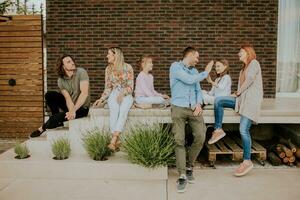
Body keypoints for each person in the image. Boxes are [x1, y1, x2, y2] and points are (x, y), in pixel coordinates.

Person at [207, 45, 263, 177]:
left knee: (243, 130)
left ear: (248, 53)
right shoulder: (242, 70)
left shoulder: (254, 63)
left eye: (241, 52)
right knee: (219, 100)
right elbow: (242, 86)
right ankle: (218, 129)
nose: (239, 53)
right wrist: (236, 94)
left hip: (250, 102)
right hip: (241, 100)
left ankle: (247, 161)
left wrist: (237, 93)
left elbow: (249, 80)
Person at [170, 46, 213, 193]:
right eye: (197, 57)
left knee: (201, 136)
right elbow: (188, 80)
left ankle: (189, 166)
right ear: (190, 55)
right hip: (178, 108)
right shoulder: (175, 67)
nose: (198, 60)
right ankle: (182, 174)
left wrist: (199, 103)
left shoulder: (195, 72)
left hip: (194, 109)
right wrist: (206, 72)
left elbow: (197, 90)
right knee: (179, 140)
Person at [30, 55, 90, 138]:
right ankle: (56, 117)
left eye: (72, 60)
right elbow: (68, 99)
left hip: (82, 108)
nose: (72, 63)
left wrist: (73, 110)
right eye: (68, 62)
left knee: (55, 119)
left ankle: (41, 129)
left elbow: (84, 93)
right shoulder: (61, 80)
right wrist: (71, 110)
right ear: (63, 66)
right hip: (71, 106)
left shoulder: (81, 72)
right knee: (49, 95)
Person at [93, 47, 134, 151]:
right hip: (114, 93)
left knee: (123, 110)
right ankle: (116, 139)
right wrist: (102, 99)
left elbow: (131, 86)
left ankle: (113, 139)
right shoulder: (108, 69)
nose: (107, 56)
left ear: (116, 55)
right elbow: (108, 87)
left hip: (126, 93)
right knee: (114, 111)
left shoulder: (128, 67)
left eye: (109, 54)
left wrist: (122, 94)